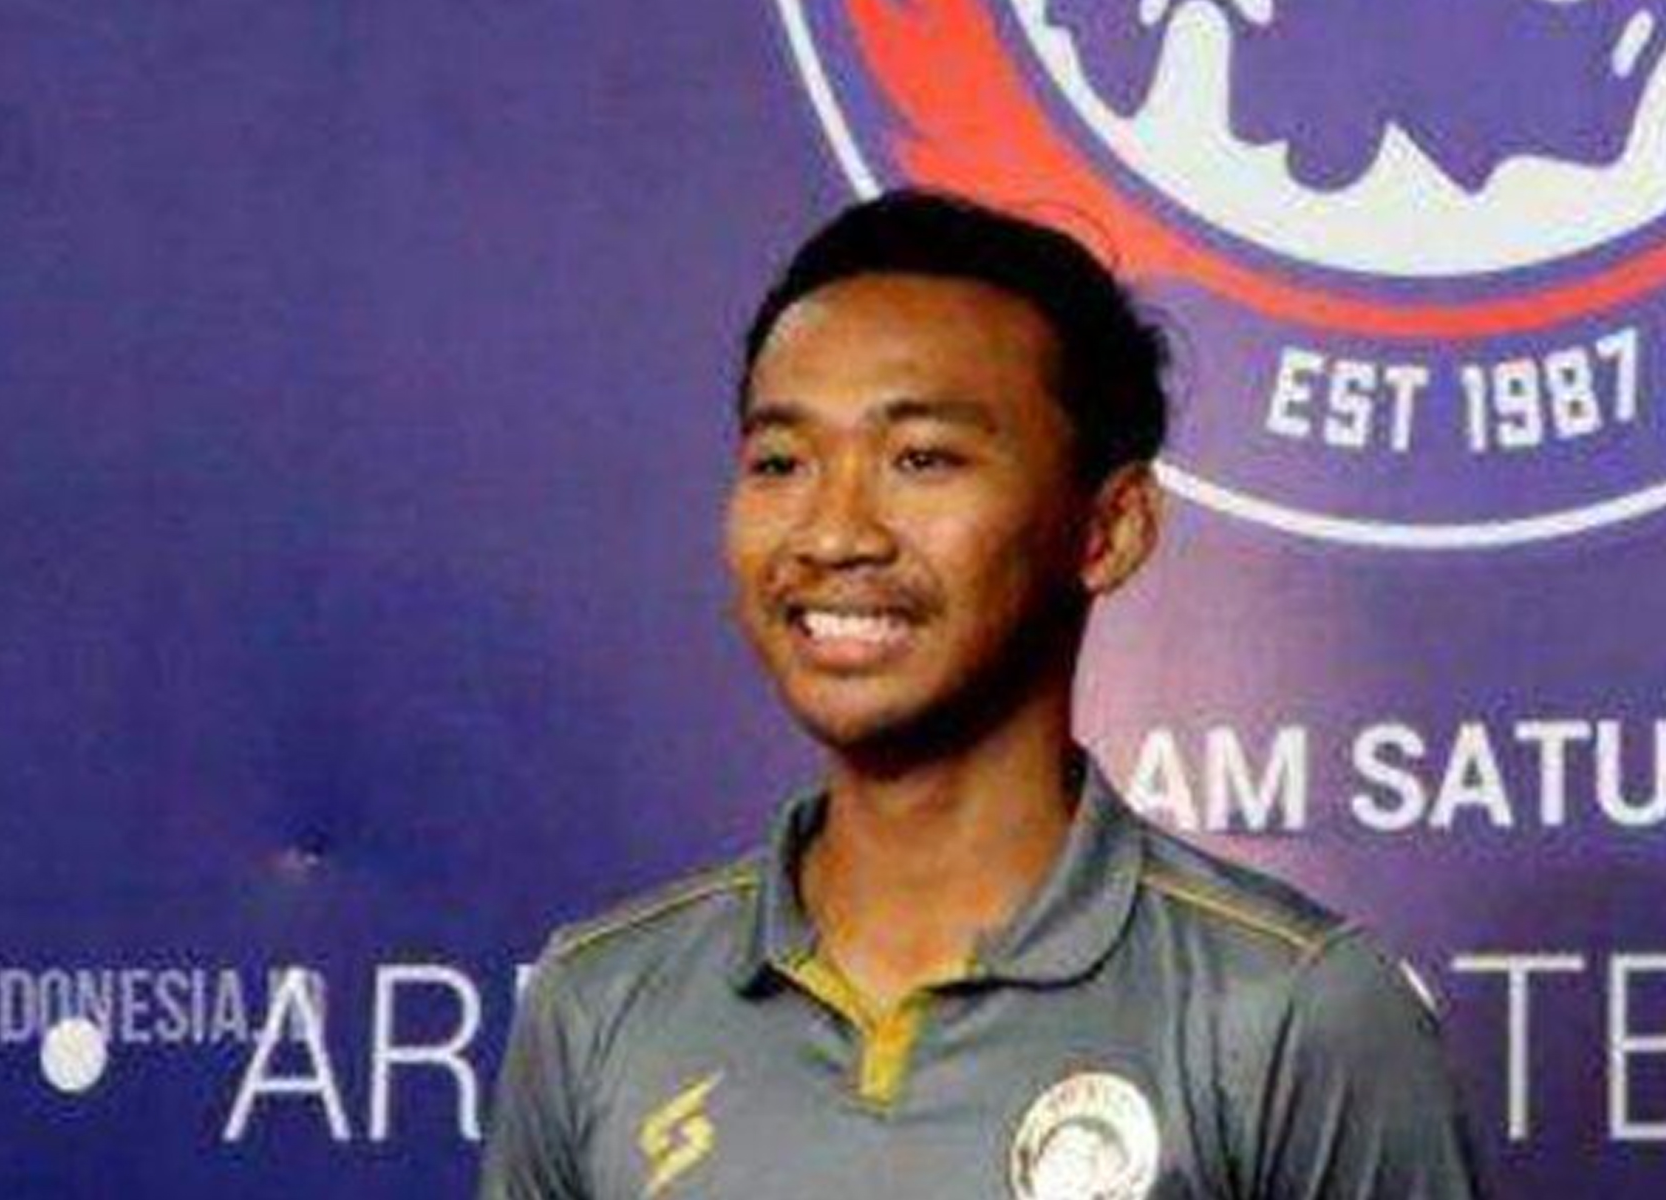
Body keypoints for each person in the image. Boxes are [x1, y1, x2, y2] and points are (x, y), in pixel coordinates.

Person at [480, 190, 1483, 1199]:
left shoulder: (1289, 1011)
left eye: (921, 459)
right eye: (780, 462)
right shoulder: (597, 1004)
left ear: (1109, 529)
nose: (833, 533)